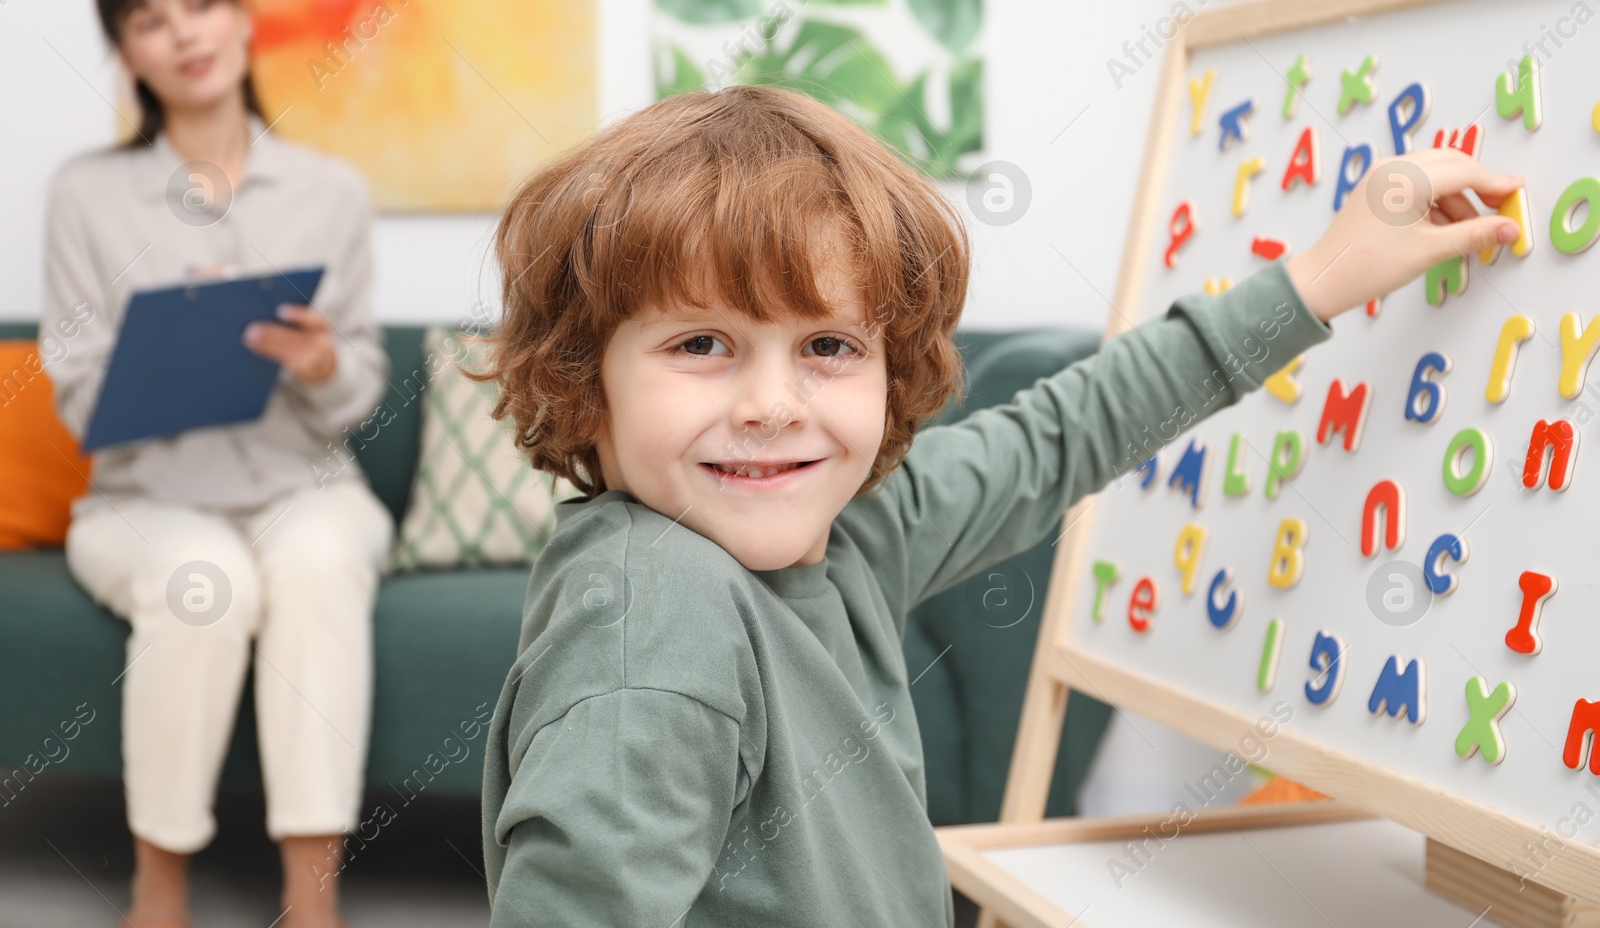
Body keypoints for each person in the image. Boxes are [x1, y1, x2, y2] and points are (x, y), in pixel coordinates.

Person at [470, 84, 1523, 925]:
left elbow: (1064, 432)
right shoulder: (656, 610)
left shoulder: (847, 534)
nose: (772, 404)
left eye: (829, 345)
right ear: (583, 381)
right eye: (702, 344)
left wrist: (1326, 275)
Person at [41, 0, 393, 928]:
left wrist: (321, 365)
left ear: (239, 18)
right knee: (208, 585)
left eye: (197, 3)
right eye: (148, 20)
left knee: (321, 561)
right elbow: (74, 392)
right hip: (146, 500)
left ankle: (309, 900)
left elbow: (361, 382)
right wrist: (171, 355)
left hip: (305, 485)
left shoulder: (330, 190)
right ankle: (160, 894)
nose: (181, 31)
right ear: (129, 58)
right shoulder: (85, 195)